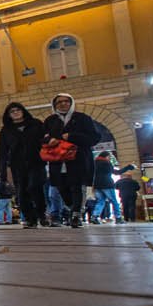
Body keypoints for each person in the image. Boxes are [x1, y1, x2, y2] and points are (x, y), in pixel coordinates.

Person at [42, 93, 100, 229]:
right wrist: (49, 140)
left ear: (71, 102)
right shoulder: (50, 120)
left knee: (77, 187)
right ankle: (72, 207)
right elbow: (42, 138)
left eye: (66, 101)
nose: (63, 104)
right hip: (58, 160)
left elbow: (94, 137)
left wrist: (72, 136)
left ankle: (76, 215)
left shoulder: (82, 118)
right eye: (59, 102)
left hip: (78, 160)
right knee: (62, 188)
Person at [0, 101, 46, 228]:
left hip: (36, 162)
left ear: (23, 111)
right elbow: (3, 152)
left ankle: (42, 214)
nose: (15, 113)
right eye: (12, 111)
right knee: (22, 192)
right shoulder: (6, 130)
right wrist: (3, 173)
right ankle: (30, 219)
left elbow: (45, 140)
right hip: (17, 165)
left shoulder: (35, 124)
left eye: (17, 110)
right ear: (8, 115)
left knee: (35, 187)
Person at [91, 153, 120, 223]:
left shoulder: (93, 163)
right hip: (107, 184)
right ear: (106, 156)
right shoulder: (106, 163)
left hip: (97, 185)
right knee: (114, 201)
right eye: (109, 157)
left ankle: (94, 217)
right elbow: (116, 172)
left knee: (100, 201)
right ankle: (118, 218)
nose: (110, 158)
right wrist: (129, 167)